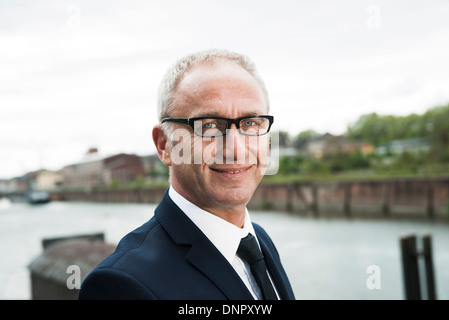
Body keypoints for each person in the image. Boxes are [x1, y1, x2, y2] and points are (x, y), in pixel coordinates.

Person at [78, 49, 295, 300]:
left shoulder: (258, 242)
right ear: (164, 145)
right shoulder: (121, 286)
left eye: (250, 123)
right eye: (209, 126)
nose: (236, 149)